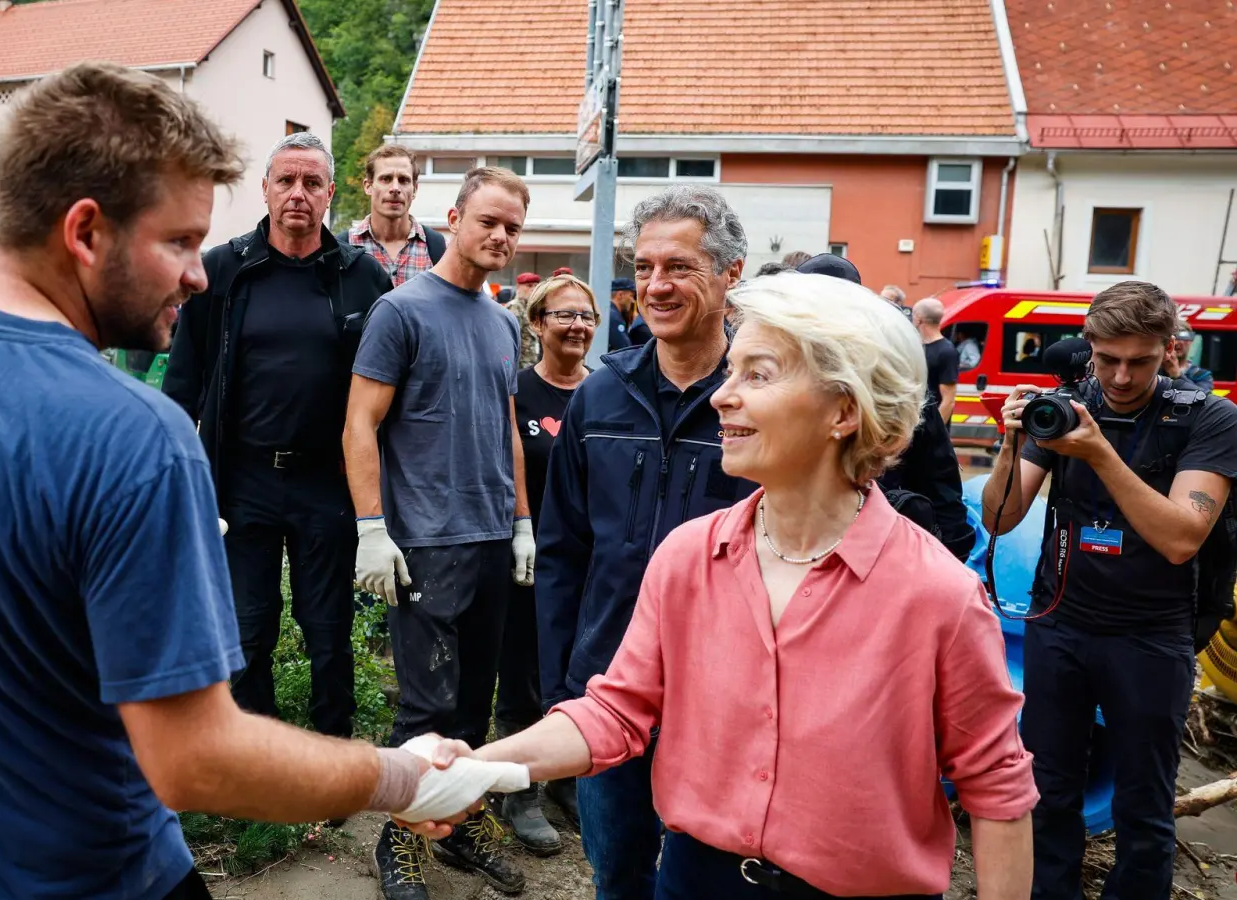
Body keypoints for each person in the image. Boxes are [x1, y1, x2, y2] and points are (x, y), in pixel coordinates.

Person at [0, 62, 457, 900]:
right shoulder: (135, 438)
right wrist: (397, 777)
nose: (198, 274)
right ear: (84, 232)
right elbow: (196, 761)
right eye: (179, 242)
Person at [432, 272, 1037, 900]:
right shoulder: (690, 557)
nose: (722, 397)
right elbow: (617, 710)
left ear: (844, 409)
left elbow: (996, 790)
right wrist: (478, 766)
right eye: (732, 372)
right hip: (695, 881)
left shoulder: (939, 595)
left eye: (758, 374)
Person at [982, 281, 1237, 900]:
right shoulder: (1067, 407)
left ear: (1171, 349)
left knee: (1144, 806)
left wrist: (1098, 453)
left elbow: (1181, 538)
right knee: (1050, 793)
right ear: (1089, 348)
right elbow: (997, 519)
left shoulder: (1209, 419)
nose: (1121, 377)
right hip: (1060, 626)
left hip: (1152, 636)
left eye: (1140, 361)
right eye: (1107, 360)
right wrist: (1013, 443)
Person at [536, 186, 754, 900]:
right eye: (645, 266)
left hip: (726, 700)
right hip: (611, 685)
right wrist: (561, 687)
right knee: (618, 874)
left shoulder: (760, 400)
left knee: (709, 882)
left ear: (731, 272)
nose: (655, 286)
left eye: (680, 267)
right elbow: (563, 551)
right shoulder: (599, 397)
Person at [344, 165, 537, 899]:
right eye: (487, 221)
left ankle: (456, 829)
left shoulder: (500, 321)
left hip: (491, 537)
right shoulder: (402, 312)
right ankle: (399, 844)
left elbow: (509, 428)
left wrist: (521, 522)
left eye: (512, 228)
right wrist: (371, 527)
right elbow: (360, 423)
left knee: (472, 707)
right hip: (425, 539)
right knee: (425, 710)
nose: (500, 236)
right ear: (453, 219)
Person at [163, 132, 393, 741]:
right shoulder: (224, 269)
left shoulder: (361, 276)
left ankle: (332, 750)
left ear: (331, 194)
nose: (297, 193)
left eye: (311, 182)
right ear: (265, 188)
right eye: (286, 180)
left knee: (328, 629)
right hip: (243, 480)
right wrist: (176, 476)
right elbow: (183, 379)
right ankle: (257, 752)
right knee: (248, 626)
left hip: (327, 480)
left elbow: (390, 389)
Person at [494, 273, 599, 854]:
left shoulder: (604, 392)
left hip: (586, 561)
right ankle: (520, 788)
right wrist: (519, 527)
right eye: (563, 315)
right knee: (522, 670)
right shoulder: (518, 391)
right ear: (536, 324)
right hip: (528, 556)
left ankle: (565, 777)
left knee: (575, 670)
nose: (577, 325)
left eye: (585, 315)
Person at [794, 254, 975, 562]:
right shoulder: (770, 386)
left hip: (882, 557)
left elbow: (940, 482)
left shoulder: (898, 389)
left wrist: (949, 558)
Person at [340, 144, 446, 287]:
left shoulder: (437, 248)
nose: (395, 188)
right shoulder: (342, 248)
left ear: (414, 189)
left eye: (403, 180)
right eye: (386, 179)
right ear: (368, 186)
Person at [915, 297, 959, 425]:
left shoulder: (947, 351)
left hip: (931, 431)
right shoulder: (918, 347)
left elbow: (948, 400)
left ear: (918, 319)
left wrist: (935, 431)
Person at [1163, 320, 1215, 392]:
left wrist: (1177, 376)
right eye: (1174, 338)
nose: (1177, 342)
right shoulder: (1155, 371)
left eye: (1183, 338)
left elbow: (1202, 397)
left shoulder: (1201, 375)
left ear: (1191, 341)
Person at [505, 272, 541, 368]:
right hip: (519, 365)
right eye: (529, 286)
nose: (533, 289)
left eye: (536, 286)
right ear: (518, 287)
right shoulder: (515, 307)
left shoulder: (531, 308)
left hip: (531, 362)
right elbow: (510, 340)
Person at [606, 277, 651, 350]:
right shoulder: (613, 317)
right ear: (620, 295)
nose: (633, 301)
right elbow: (625, 348)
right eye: (631, 296)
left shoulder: (609, 312)